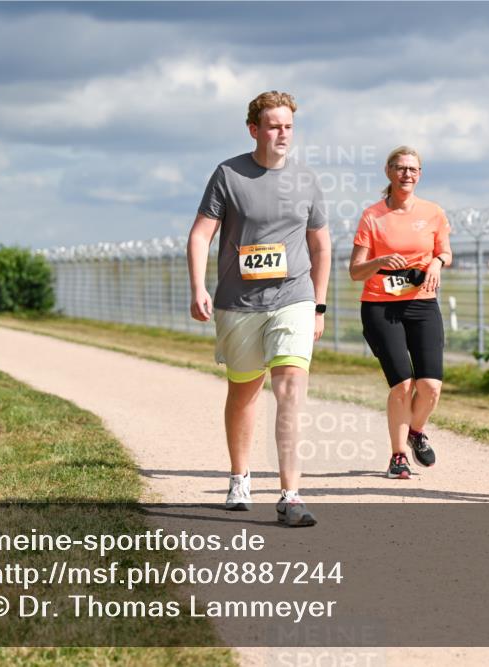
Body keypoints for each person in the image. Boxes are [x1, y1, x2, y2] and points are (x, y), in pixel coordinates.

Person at [187, 91, 331, 526]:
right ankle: (240, 476)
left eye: (288, 125)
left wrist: (319, 305)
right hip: (239, 303)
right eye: (273, 125)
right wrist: (198, 287)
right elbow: (200, 235)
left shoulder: (306, 179)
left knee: (289, 390)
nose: (282, 133)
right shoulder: (228, 175)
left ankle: (290, 494)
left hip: (294, 297)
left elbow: (320, 245)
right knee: (244, 392)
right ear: (254, 129)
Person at [349, 146, 451, 480]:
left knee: (431, 386)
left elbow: (445, 252)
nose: (407, 174)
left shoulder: (433, 212)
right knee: (403, 386)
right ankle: (398, 456)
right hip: (381, 306)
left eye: (413, 169)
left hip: (422, 303)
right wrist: (379, 262)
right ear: (389, 172)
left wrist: (436, 262)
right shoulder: (372, 216)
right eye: (401, 168)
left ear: (419, 175)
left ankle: (416, 430)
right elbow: (355, 271)